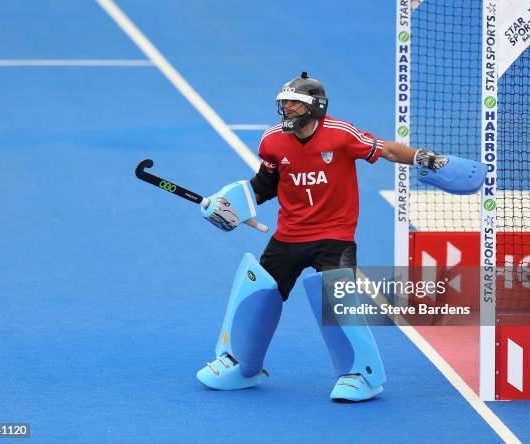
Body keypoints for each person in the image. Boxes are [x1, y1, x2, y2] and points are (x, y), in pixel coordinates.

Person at [195, 72, 482, 402]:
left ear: (314, 107)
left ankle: (362, 375)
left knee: (337, 297)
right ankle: (242, 365)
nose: (286, 109)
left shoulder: (340, 134)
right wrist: (230, 204)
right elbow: (265, 185)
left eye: (294, 103)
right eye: (283, 103)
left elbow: (386, 150)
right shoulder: (272, 140)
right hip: (289, 235)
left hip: (334, 236)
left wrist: (425, 158)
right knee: (258, 289)